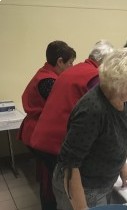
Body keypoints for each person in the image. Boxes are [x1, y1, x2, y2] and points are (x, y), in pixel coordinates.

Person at [52, 48, 127, 209]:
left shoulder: (121, 97)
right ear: (119, 82)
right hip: (82, 188)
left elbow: (116, 139)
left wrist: (124, 169)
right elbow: (70, 165)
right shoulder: (93, 109)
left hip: (102, 183)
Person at [18, 40, 76, 210]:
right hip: (38, 131)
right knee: (51, 176)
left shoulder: (44, 73)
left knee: (48, 174)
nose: (72, 67)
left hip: (35, 129)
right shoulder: (48, 81)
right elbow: (61, 107)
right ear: (59, 61)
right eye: (70, 63)